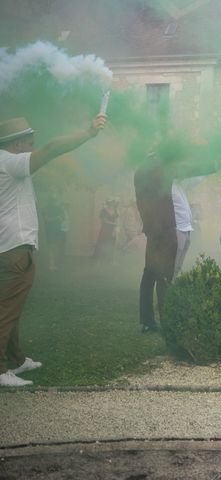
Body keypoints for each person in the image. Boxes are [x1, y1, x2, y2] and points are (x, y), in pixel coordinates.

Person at [0, 114, 106, 386]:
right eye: (29, 142)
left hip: (10, 248)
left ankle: (16, 360)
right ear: (16, 144)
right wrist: (88, 133)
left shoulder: (7, 163)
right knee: (6, 310)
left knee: (11, 307)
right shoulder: (10, 162)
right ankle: (1, 371)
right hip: (13, 250)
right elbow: (51, 150)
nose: (33, 148)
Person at [135, 139, 218, 333]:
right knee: (163, 277)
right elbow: (186, 170)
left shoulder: (155, 172)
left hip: (163, 230)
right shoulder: (154, 170)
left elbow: (189, 175)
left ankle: (150, 321)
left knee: (155, 275)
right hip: (165, 231)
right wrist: (213, 164)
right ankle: (164, 321)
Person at [172, 177, 201, 278]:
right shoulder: (170, 188)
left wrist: (207, 169)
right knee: (175, 261)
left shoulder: (180, 184)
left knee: (180, 262)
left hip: (187, 229)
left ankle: (174, 282)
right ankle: (169, 284)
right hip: (179, 229)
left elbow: (196, 180)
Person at [93, 197, 119, 265]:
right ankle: (97, 260)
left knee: (112, 244)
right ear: (108, 203)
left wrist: (115, 228)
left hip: (112, 229)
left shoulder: (115, 210)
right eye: (111, 202)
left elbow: (117, 219)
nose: (113, 203)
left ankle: (111, 260)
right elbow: (104, 221)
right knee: (101, 243)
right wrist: (114, 224)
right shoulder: (104, 210)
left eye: (114, 202)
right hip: (105, 229)